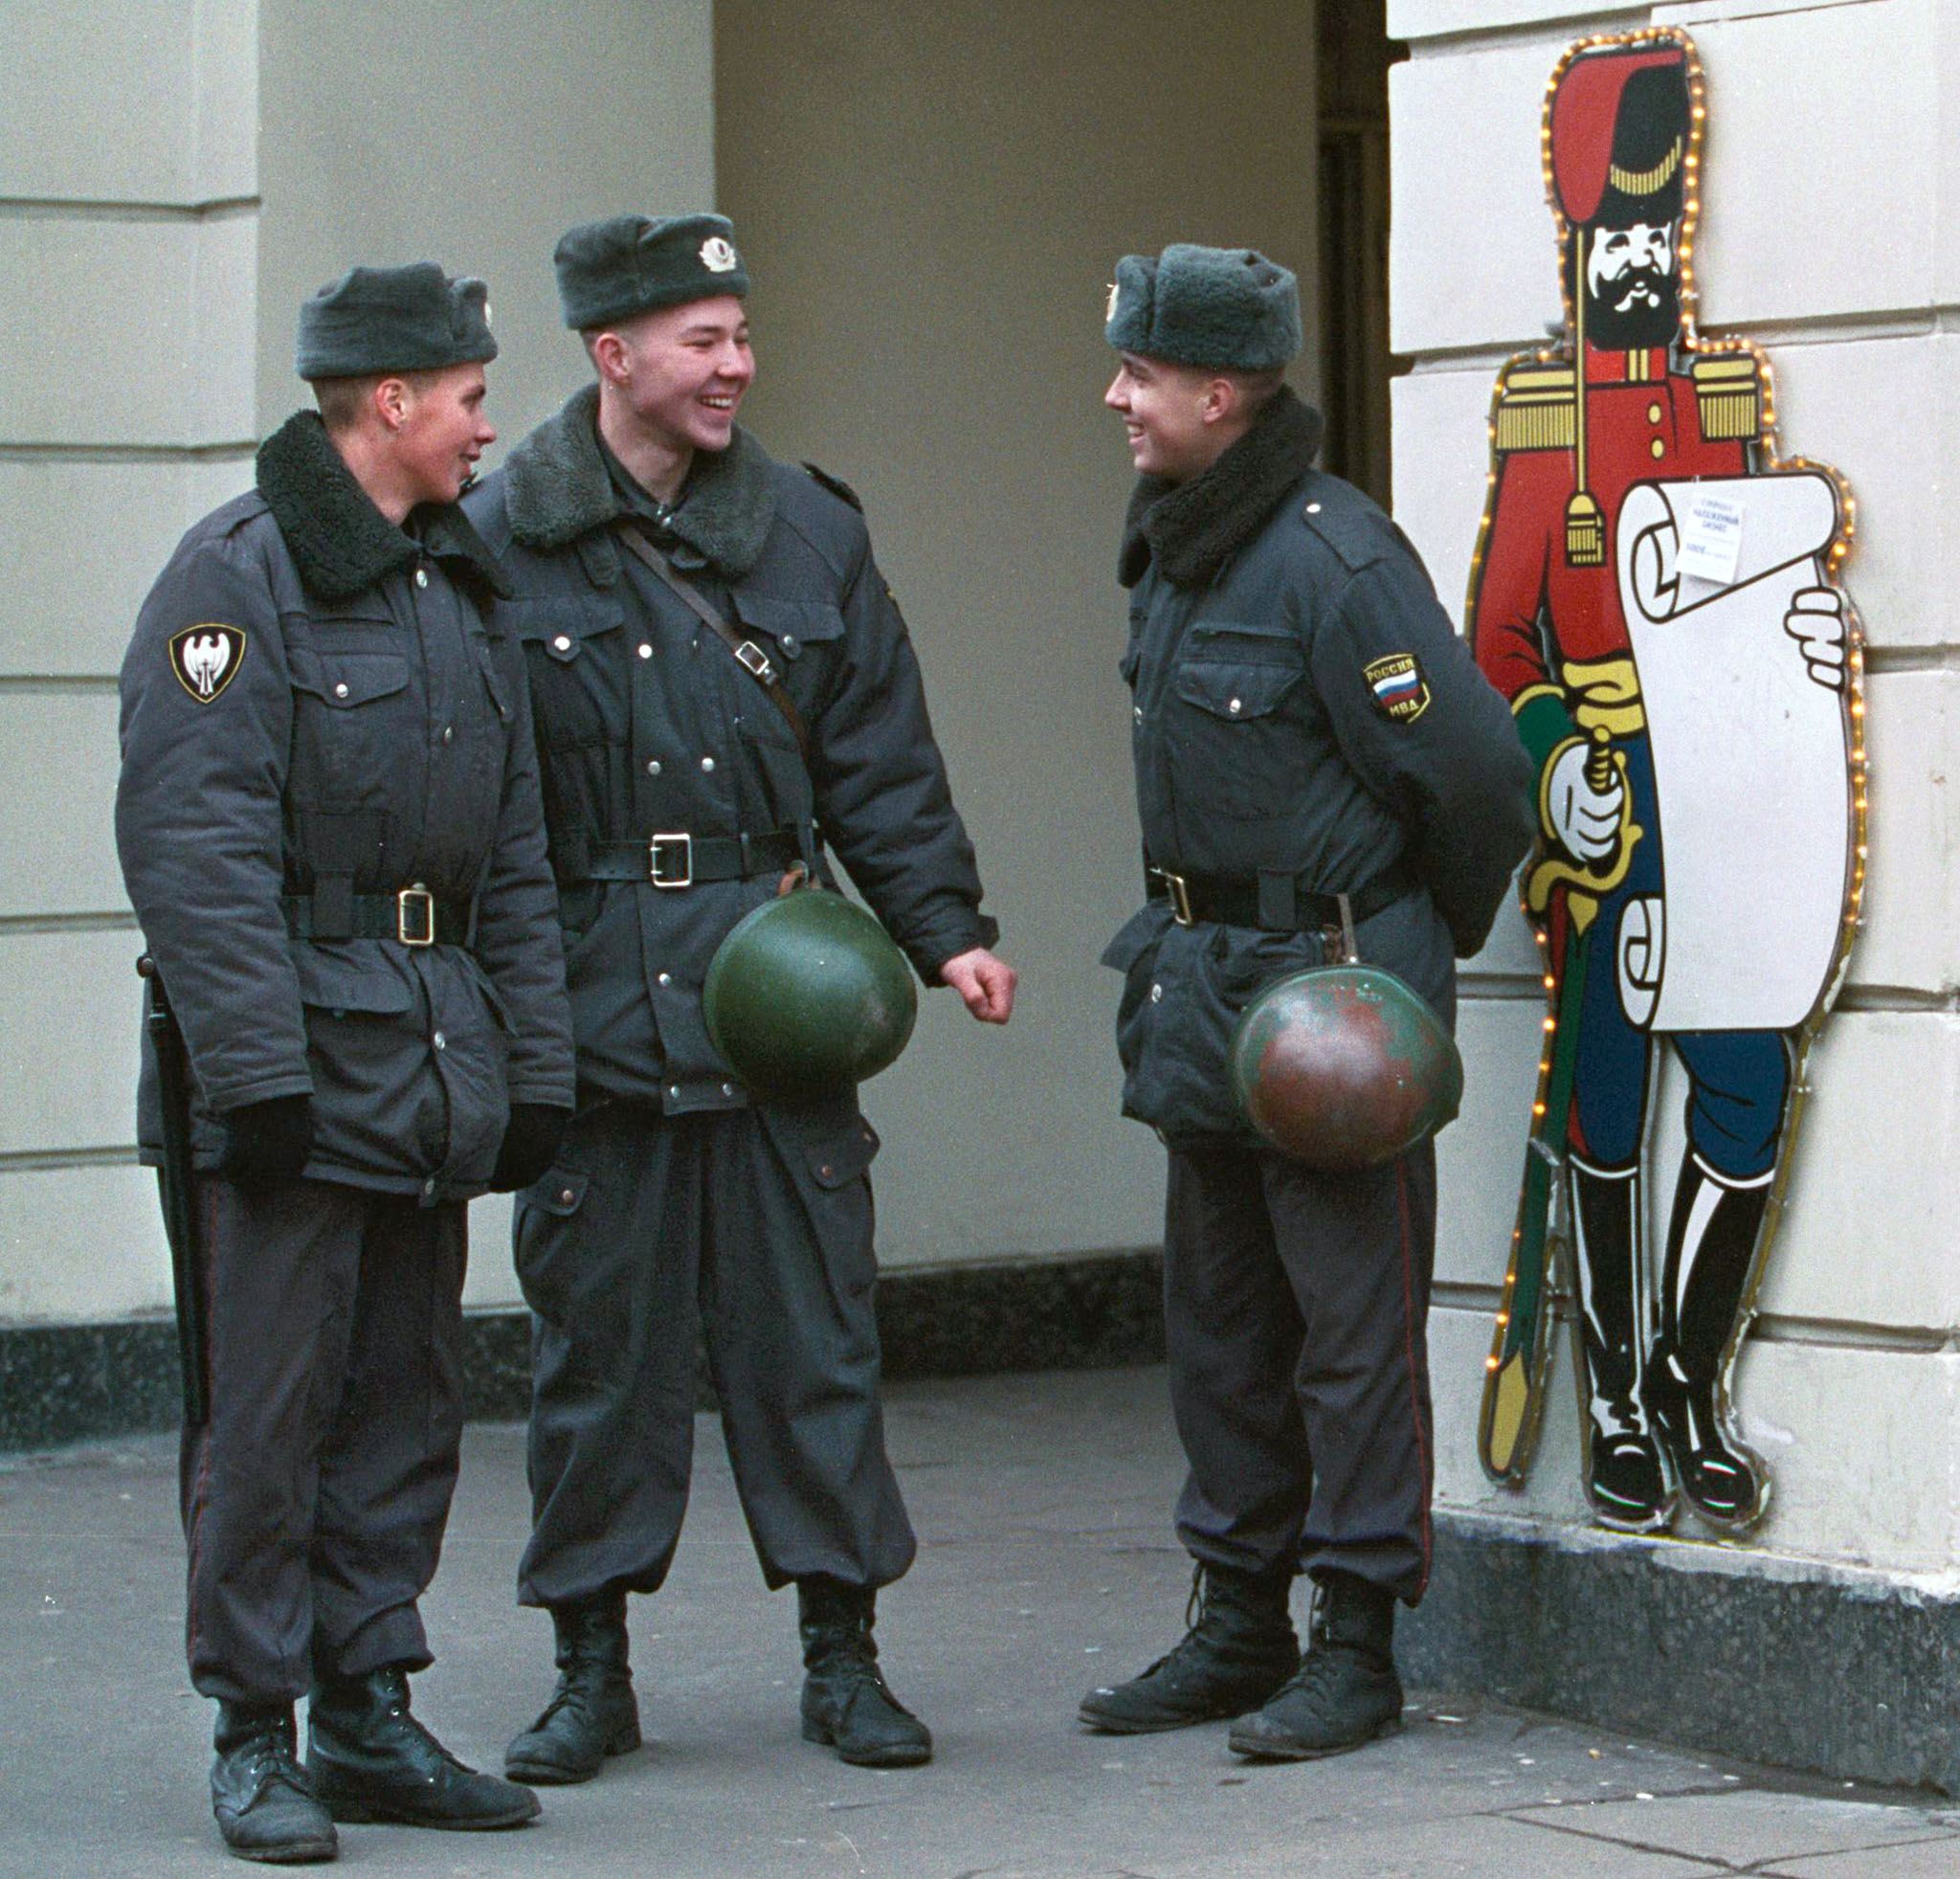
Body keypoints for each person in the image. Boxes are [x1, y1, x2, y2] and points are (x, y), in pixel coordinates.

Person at [465, 213, 1014, 1780]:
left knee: (814, 1350)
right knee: (597, 1371)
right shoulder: (502, 537)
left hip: (781, 1013)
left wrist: (942, 931)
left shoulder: (807, 532)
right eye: (703, 342)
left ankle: (843, 1659)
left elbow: (881, 763)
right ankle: (589, 1670)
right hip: (592, 1014)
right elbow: (479, 792)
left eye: (742, 337)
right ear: (613, 352)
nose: (737, 367)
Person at [116, 262, 573, 1862]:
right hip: (289, 1074)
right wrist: (252, 1075)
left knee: (403, 1396)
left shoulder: (456, 586)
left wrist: (539, 1065)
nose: (483, 426)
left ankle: (367, 1706)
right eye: (465, 398)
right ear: (389, 402)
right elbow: (196, 849)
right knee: (271, 1409)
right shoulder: (235, 580)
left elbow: (509, 846)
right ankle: (255, 1728)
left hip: (428, 1059)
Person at [1082, 243, 1533, 1759]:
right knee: (1219, 1324)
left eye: (1140, 375)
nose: (1118, 399)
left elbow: (1474, 777)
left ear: (1222, 390)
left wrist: (1405, 946)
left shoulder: (1336, 561)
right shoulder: (1186, 541)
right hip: (1205, 983)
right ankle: (1236, 1622)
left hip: (1335, 1002)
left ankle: (1356, 1640)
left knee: (1348, 1329)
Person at [1469, 39, 1848, 1531]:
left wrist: (1812, 631)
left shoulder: (1734, 404)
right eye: (1607, 236)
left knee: (1747, 1092)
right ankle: (1618, 1390)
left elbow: (1770, 587)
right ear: (1576, 247)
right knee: (1612, 1105)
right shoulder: (1544, 421)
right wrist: (1556, 760)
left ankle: (1693, 1380)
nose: (1633, 259)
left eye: (1652, 231)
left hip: (1737, 803)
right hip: (1616, 812)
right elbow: (1496, 642)